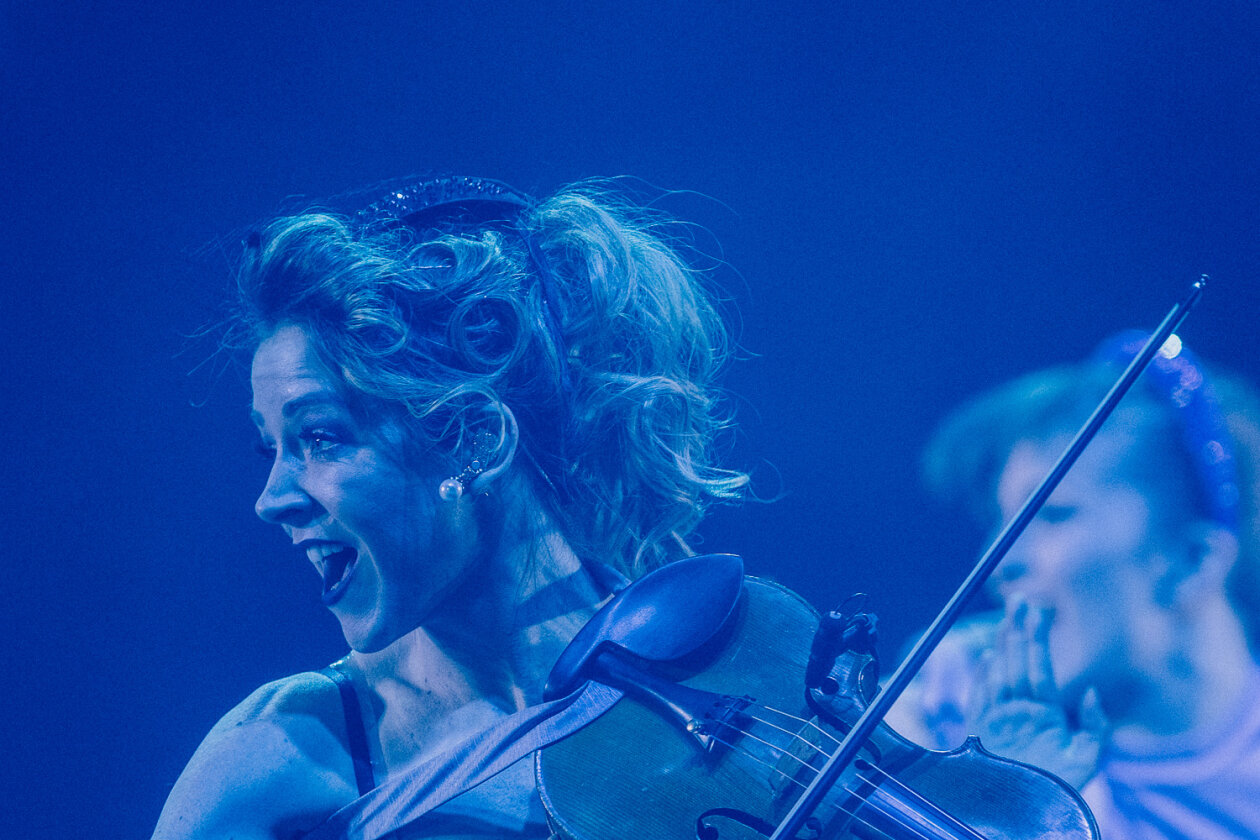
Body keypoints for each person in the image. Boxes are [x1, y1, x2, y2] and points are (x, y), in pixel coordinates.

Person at [151, 176, 749, 839]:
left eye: (319, 437)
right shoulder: (275, 766)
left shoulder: (727, 668)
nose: (272, 502)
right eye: (272, 449)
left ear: (476, 440)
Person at [886, 331, 1260, 840]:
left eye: (1053, 514)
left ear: (1193, 561)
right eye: (1002, 522)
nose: (999, 564)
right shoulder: (951, 692)